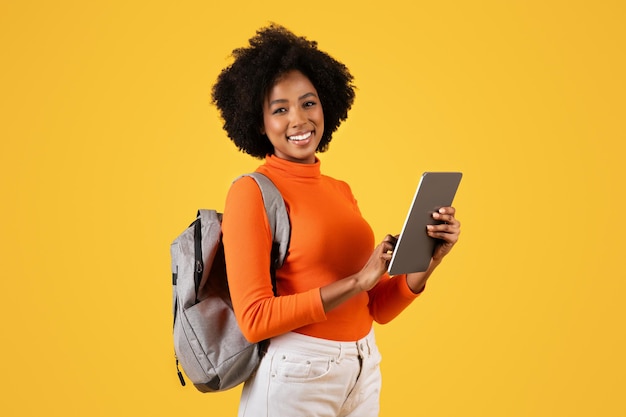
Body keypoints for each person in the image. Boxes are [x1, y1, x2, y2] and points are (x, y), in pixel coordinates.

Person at [211, 24, 461, 417]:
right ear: (259, 123)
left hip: (362, 369)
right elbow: (255, 320)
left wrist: (429, 263)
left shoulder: (340, 190)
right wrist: (359, 280)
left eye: (308, 103)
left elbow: (375, 307)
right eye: (280, 109)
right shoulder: (251, 192)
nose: (299, 119)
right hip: (295, 375)